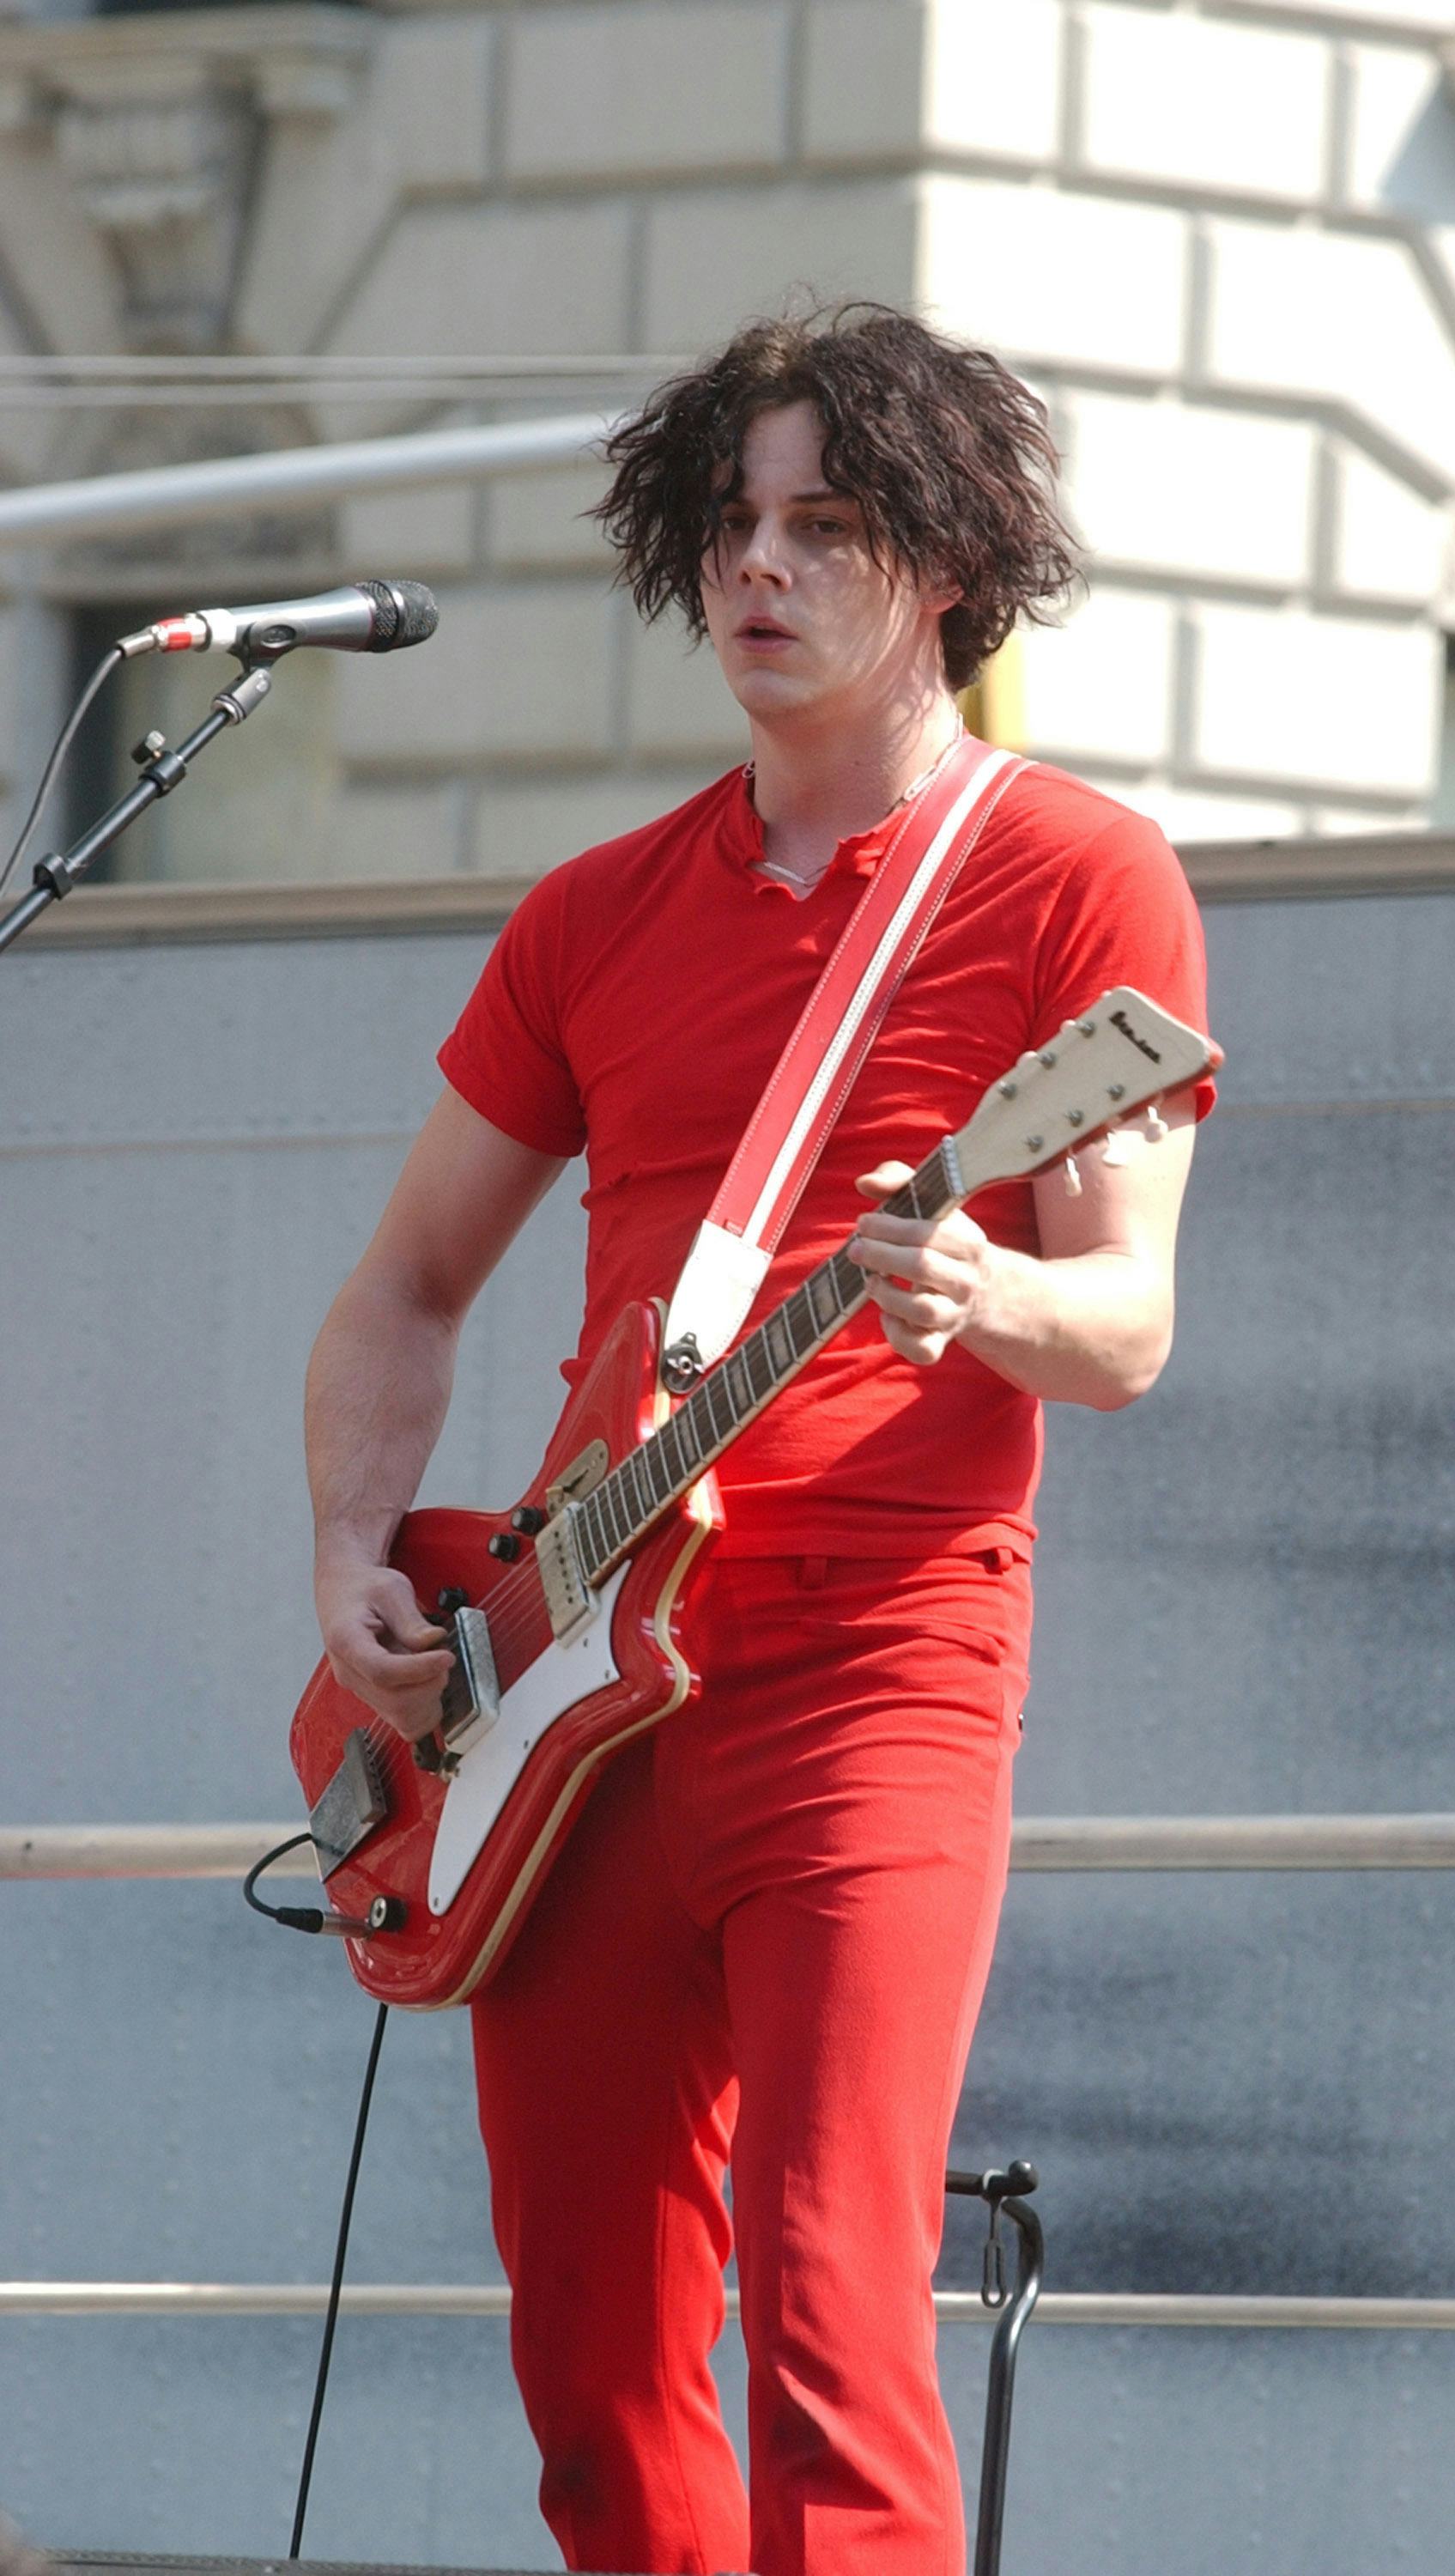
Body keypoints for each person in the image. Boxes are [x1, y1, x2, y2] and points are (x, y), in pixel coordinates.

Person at [304, 303, 1214, 2576]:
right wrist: (352, 1559)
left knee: (830, 2307)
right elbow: (406, 1286)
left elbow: (1125, 1327)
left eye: (824, 524)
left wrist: (981, 1290)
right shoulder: (591, 914)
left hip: (875, 1672)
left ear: (947, 567)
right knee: (594, 2368)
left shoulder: (1072, 877)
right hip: (571, 1689)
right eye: (729, 522)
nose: (759, 570)